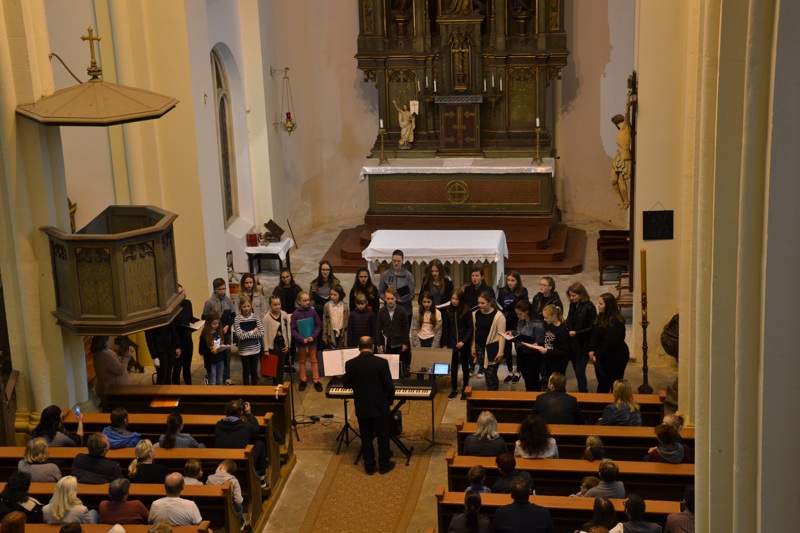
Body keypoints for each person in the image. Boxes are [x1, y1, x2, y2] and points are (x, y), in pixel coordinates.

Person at [342, 336, 396, 475]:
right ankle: (384, 465)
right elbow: (389, 386)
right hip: (380, 406)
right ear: (373, 347)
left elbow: (346, 384)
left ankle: (369, 466)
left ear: (358, 348)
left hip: (362, 406)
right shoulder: (381, 363)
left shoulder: (351, 364)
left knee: (366, 437)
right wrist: (389, 401)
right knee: (383, 435)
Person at [214, 399, 268, 488]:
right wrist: (249, 413)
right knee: (259, 444)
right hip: (242, 462)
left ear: (225, 412)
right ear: (241, 413)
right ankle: (261, 477)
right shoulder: (245, 426)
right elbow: (256, 428)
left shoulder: (218, 425)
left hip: (223, 461)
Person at [589, 293, 630, 393]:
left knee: (614, 384)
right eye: (599, 303)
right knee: (603, 383)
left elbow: (610, 344)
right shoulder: (600, 317)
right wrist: (591, 349)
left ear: (609, 306)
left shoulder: (616, 323)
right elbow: (594, 334)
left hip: (615, 358)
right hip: (601, 357)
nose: (598, 306)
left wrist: (598, 357)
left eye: (601, 304)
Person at [523, 304, 569, 388]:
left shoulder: (562, 330)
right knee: (549, 383)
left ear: (554, 316)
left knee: (557, 385)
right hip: (548, 360)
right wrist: (538, 344)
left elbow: (564, 351)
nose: (544, 319)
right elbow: (547, 342)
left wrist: (547, 351)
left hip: (558, 363)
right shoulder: (549, 326)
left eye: (546, 317)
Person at [201, 277, 236, 385]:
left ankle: (225, 377)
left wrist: (228, 326)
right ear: (215, 289)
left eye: (224, 289)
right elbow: (204, 318)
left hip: (226, 332)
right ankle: (211, 377)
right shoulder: (209, 302)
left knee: (227, 355)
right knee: (215, 355)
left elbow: (233, 315)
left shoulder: (228, 300)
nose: (222, 291)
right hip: (214, 334)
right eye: (220, 289)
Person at [566, 282, 597, 392]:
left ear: (581, 294)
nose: (571, 298)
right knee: (577, 371)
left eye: (573, 295)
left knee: (580, 371)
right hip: (573, 343)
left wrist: (577, 333)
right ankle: (582, 390)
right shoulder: (573, 304)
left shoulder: (590, 307)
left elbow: (592, 327)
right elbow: (570, 319)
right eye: (570, 295)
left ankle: (583, 392)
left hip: (584, 343)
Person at [497, 271, 528, 384]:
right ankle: (510, 371)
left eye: (512, 280)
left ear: (517, 281)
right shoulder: (502, 291)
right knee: (507, 348)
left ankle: (518, 371)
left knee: (519, 348)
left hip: (517, 322)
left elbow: (524, 308)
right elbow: (499, 305)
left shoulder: (522, 292)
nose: (510, 283)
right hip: (505, 323)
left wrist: (509, 313)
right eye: (508, 280)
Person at [443, 289, 473, 400]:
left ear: (461, 299)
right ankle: (454, 389)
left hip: (464, 342)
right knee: (454, 367)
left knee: (465, 367)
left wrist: (463, 341)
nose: (454, 301)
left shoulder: (466, 310)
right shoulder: (448, 310)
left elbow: (470, 329)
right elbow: (446, 328)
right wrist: (445, 343)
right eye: (452, 299)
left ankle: (465, 389)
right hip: (452, 341)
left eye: (456, 299)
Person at [471, 291, 506, 389]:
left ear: (490, 302)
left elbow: (502, 336)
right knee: (486, 371)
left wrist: (500, 352)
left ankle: (493, 392)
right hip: (479, 347)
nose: (480, 305)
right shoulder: (475, 314)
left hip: (492, 347)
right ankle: (489, 391)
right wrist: (473, 347)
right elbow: (474, 332)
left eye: (482, 303)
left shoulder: (499, 316)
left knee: (491, 373)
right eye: (478, 303)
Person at [290, 291, 323, 392]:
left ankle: (316, 380)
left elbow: (318, 325)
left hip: (312, 340)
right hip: (301, 341)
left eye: (308, 300)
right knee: (302, 361)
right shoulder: (295, 314)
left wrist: (313, 336)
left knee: (313, 360)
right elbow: (293, 329)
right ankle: (303, 380)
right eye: (304, 300)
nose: (307, 302)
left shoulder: (313, 312)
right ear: (299, 301)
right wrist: (301, 339)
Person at [376, 287, 412, 377]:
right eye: (388, 299)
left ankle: (401, 379)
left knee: (400, 364)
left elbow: (406, 327)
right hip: (387, 343)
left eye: (392, 299)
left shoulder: (402, 310)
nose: (390, 301)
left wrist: (405, 342)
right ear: (385, 298)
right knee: (389, 364)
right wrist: (379, 343)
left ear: (396, 298)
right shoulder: (381, 311)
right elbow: (378, 328)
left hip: (399, 342)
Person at [512, 300, 546, 391]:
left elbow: (540, 341)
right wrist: (512, 333)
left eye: (520, 314)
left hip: (533, 355)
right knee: (526, 377)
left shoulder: (537, 323)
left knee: (533, 378)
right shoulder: (521, 320)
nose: (518, 316)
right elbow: (520, 333)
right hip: (521, 353)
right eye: (517, 314)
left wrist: (525, 344)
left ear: (527, 311)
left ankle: (534, 396)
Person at [234, 294, 265, 386]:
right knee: (246, 372)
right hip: (244, 350)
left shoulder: (255, 317)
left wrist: (246, 334)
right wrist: (253, 332)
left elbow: (261, 333)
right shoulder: (237, 319)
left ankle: (254, 390)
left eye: (248, 306)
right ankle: (246, 391)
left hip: (255, 349)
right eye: (244, 306)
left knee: (254, 372)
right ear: (240, 307)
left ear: (251, 305)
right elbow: (240, 336)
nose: (246, 308)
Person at [172, 284, 199, 384]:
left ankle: (189, 387)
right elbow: (172, 327)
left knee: (187, 366)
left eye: (183, 291)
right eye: (179, 293)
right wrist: (176, 346)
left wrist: (199, 321)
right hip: (178, 341)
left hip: (188, 339)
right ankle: (176, 389)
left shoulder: (187, 303)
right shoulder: (172, 308)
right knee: (177, 367)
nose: (182, 294)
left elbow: (189, 318)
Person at [611, 92, 633, 210]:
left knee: (620, 180)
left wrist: (628, 100)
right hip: (618, 157)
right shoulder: (620, 130)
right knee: (613, 180)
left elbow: (627, 113)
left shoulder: (626, 126)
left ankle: (626, 201)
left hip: (624, 156)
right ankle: (620, 201)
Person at [263, 294, 291, 386]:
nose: (277, 306)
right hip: (273, 344)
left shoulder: (284, 314)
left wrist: (288, 345)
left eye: (279, 304)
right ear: (270, 305)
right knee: (275, 365)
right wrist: (266, 349)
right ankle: (276, 384)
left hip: (282, 343)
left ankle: (280, 383)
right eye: (274, 305)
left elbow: (288, 330)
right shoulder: (266, 317)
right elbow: (265, 335)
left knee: (281, 364)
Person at [91, 335, 131, 399]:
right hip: (111, 391)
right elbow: (119, 370)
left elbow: (113, 362)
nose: (109, 341)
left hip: (113, 388)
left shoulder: (100, 352)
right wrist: (126, 358)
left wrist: (120, 359)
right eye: (107, 340)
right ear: (102, 342)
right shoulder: (104, 355)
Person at [378, 249, 415, 314]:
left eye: (398, 261)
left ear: (402, 261)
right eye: (394, 261)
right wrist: (388, 299)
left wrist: (402, 300)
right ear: (391, 260)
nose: (396, 263)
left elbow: (412, 294)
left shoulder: (408, 275)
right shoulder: (385, 275)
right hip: (389, 310)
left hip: (405, 310)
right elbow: (380, 292)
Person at [144, 321, 180, 386]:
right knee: (162, 376)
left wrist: (177, 346)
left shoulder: (167, 315)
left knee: (168, 375)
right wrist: (154, 356)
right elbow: (149, 338)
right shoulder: (150, 318)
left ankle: (168, 391)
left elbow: (172, 329)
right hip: (159, 350)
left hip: (170, 347)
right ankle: (161, 392)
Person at [198, 313, 228, 386]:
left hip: (220, 360)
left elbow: (223, 343)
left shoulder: (220, 332)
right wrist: (210, 351)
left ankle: (219, 393)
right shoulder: (204, 335)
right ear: (209, 323)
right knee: (212, 381)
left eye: (218, 323)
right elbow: (201, 351)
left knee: (220, 380)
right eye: (214, 324)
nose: (216, 325)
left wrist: (225, 347)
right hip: (211, 361)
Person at [322, 284, 349, 348]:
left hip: (341, 331)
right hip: (331, 331)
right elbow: (325, 321)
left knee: (341, 348)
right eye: (331, 294)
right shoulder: (327, 306)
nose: (332, 297)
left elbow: (347, 320)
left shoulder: (345, 306)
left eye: (335, 295)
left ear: (340, 295)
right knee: (332, 348)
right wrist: (324, 335)